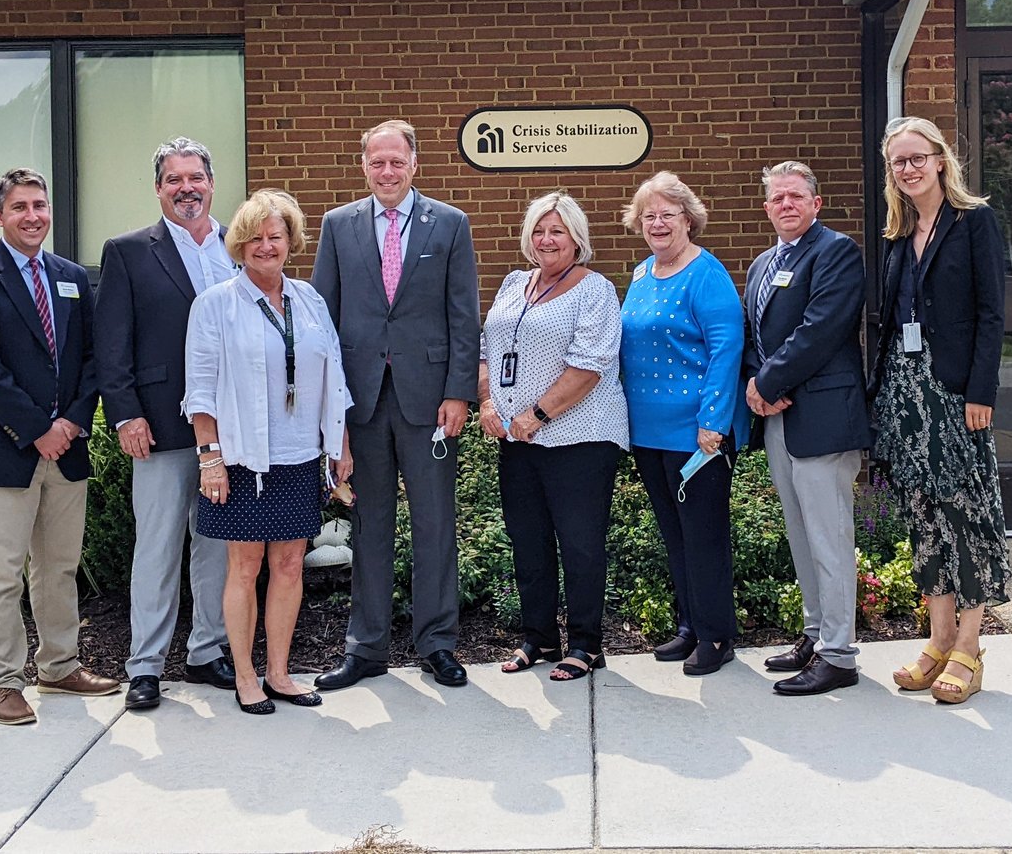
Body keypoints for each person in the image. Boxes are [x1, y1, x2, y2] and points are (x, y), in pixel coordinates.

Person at [311, 119, 480, 689]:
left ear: (414, 165)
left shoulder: (450, 225)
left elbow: (463, 317)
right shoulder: (338, 226)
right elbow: (323, 326)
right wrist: (330, 415)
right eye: (377, 162)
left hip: (429, 402)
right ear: (364, 165)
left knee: (434, 523)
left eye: (397, 162)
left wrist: (459, 392)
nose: (387, 172)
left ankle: (436, 643)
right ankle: (366, 648)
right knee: (368, 522)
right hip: (361, 402)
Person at [0, 168, 119, 725]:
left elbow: (94, 358)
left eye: (39, 205)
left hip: (65, 451)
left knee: (58, 567)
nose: (32, 216)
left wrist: (70, 422)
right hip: (5, 451)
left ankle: (59, 666)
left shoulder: (70, 277)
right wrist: (36, 428)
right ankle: (0, 682)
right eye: (19, 207)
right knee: (0, 574)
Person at [183, 189, 352, 714]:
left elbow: (334, 376)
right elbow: (201, 388)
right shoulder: (215, 305)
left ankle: (279, 673)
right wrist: (209, 457)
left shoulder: (310, 300)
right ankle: (244, 677)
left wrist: (339, 445)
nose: (265, 245)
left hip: (300, 455)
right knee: (245, 564)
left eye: (275, 236)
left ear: (290, 242)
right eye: (254, 237)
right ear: (239, 244)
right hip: (240, 457)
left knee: (290, 564)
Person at [869, 117, 1011, 704]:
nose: (908, 168)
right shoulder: (898, 233)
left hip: (955, 393)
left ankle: (970, 649)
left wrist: (981, 391)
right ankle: (938, 639)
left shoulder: (973, 222)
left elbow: (992, 314)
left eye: (917, 157)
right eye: (898, 161)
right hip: (905, 393)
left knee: (965, 515)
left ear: (940, 159)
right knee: (923, 516)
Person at [94, 138, 237, 710]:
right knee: (156, 548)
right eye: (174, 180)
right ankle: (145, 665)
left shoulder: (239, 245)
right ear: (158, 189)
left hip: (232, 431)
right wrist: (125, 413)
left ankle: (207, 651)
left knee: (217, 547)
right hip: (159, 427)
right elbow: (111, 346)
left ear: (210, 182)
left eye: (195, 177)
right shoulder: (129, 252)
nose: (187, 188)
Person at [480, 192, 628, 681]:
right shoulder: (513, 283)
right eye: (540, 231)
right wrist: (487, 404)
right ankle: (538, 638)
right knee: (529, 541)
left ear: (576, 239)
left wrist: (536, 414)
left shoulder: (595, 289)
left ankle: (586, 644)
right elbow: (487, 349)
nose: (547, 240)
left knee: (581, 543)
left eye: (558, 232)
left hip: (580, 438)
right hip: (517, 440)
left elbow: (590, 364)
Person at [743, 161, 871, 696]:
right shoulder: (762, 263)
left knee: (829, 535)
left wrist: (766, 383)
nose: (786, 204)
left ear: (816, 203)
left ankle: (839, 655)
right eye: (777, 198)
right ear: (767, 207)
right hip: (779, 416)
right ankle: (816, 634)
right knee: (801, 533)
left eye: (796, 196)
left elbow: (822, 328)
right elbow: (754, 336)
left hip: (822, 416)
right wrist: (757, 383)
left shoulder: (836, 252)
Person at [619, 173, 749, 676]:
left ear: (688, 220)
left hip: (698, 434)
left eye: (667, 215)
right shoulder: (641, 273)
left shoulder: (706, 273)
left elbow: (726, 349)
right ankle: (689, 627)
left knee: (704, 536)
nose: (657, 223)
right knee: (674, 535)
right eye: (649, 215)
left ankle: (717, 637)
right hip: (648, 432)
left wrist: (713, 421)